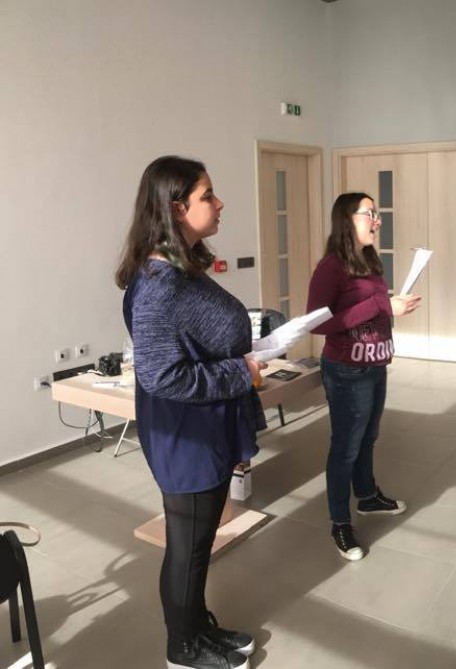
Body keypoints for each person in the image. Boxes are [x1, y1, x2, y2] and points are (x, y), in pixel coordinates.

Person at [116, 155, 260, 669]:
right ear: (177, 208)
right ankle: (182, 648)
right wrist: (241, 373)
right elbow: (161, 375)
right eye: (208, 195)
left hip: (205, 427)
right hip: (187, 437)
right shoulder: (160, 283)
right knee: (188, 547)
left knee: (198, 542)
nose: (219, 203)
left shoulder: (182, 268)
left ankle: (198, 627)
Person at [309, 192, 422, 561]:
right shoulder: (331, 267)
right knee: (345, 447)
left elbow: (370, 307)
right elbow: (319, 323)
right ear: (348, 219)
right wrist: (381, 305)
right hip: (346, 369)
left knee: (368, 437)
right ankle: (340, 522)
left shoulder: (370, 260)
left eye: (377, 213)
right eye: (370, 213)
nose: (377, 220)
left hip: (375, 364)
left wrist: (392, 304)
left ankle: (368, 497)